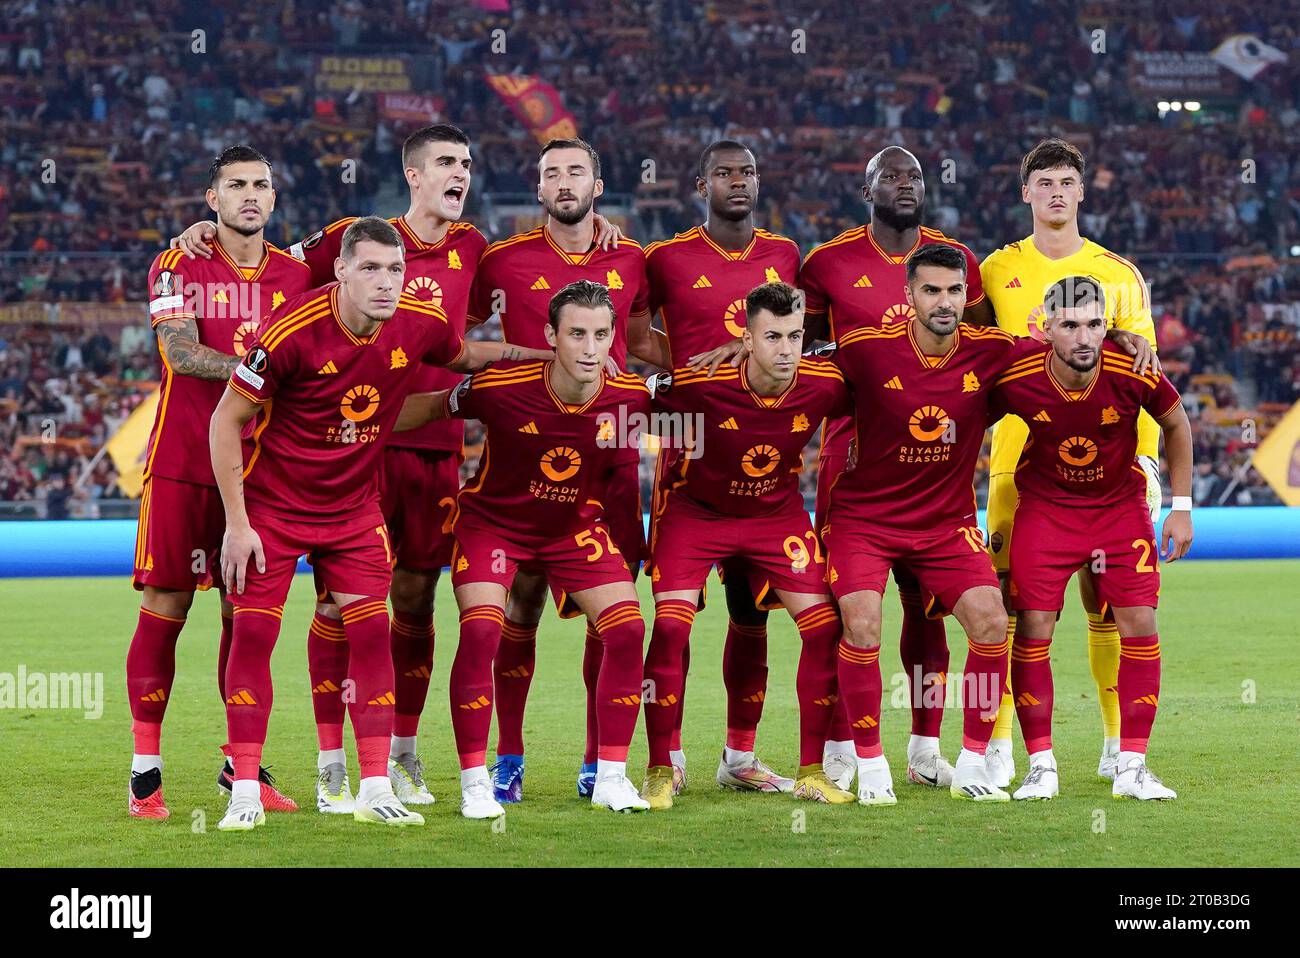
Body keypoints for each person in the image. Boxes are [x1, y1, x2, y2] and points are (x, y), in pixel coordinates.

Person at [207, 216, 548, 831]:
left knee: (373, 639)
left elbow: (464, 354)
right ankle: (245, 791)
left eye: (395, 269)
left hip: (354, 512)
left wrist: (543, 355)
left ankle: (372, 786)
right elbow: (225, 421)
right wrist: (237, 524)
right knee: (254, 639)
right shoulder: (291, 330)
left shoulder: (419, 322)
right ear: (339, 271)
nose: (386, 282)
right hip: (274, 510)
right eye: (369, 268)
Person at [402, 279, 652, 818]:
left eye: (602, 335)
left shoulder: (629, 397)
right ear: (550, 336)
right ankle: (475, 781)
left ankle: (611, 775)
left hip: (570, 529)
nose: (591, 348)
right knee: (484, 628)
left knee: (629, 628)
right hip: (494, 525)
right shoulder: (498, 386)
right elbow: (428, 409)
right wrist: (348, 420)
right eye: (577, 334)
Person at [464, 138, 664, 802]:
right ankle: (509, 758)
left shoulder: (631, 256)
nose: (564, 181)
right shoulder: (502, 259)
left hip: (613, 448)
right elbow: (455, 340)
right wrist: (517, 360)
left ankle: (596, 761)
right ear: (538, 187)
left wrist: (713, 363)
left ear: (598, 184)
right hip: (526, 451)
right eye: (552, 173)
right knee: (517, 601)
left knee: (611, 608)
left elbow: (638, 343)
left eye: (576, 170)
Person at [800, 144, 992, 792]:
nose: (904, 184)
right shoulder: (825, 262)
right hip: (851, 456)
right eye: (890, 175)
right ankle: (839, 742)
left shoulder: (955, 260)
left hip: (931, 463)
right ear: (868, 187)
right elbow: (807, 352)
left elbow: (982, 348)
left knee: (928, 610)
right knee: (848, 611)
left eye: (913, 175)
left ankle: (923, 746)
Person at [126, 145, 309, 819]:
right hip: (182, 467)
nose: (250, 195)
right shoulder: (180, 262)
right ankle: (145, 773)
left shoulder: (298, 273)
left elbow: (356, 254)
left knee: (246, 623)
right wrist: (261, 365)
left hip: (260, 477)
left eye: (262, 183)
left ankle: (243, 771)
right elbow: (178, 350)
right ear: (212, 199)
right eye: (236, 185)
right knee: (167, 613)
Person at [980, 138, 1161, 786]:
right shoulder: (996, 270)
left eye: (1067, 182)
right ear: (1025, 192)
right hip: (1014, 463)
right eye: (1044, 183)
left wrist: (1149, 464)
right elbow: (977, 356)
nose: (1056, 192)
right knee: (1009, 610)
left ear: (1082, 191)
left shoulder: (1117, 273)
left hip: (1111, 473)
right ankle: (999, 742)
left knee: (1107, 606)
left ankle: (1117, 743)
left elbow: (1144, 373)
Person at [641, 281, 854, 808]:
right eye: (773, 337)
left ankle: (808, 770)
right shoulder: (698, 382)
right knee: (671, 626)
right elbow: (623, 403)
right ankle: (659, 768)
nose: (786, 350)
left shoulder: (824, 382)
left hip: (773, 514)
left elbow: (883, 383)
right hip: (695, 513)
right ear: (746, 338)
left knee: (825, 625)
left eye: (795, 336)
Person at [989, 275, 1192, 800]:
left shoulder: (1132, 366)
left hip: (1119, 512)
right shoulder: (1018, 372)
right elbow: (966, 418)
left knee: (1140, 621)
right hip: (1046, 512)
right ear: (1047, 327)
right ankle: (1041, 766)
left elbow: (1176, 423)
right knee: (1033, 625)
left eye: (1096, 325)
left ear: (1109, 326)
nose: (1084, 337)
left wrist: (1181, 507)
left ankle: (1132, 765)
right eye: (1072, 325)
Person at [641, 140, 803, 795]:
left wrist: (743, 352)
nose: (738, 182)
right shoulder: (668, 259)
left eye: (748, 172)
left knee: (752, 612)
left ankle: (739, 758)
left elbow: (799, 337)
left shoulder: (786, 253)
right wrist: (685, 363)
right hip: (689, 452)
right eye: (725, 173)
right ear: (700, 183)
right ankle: (669, 759)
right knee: (674, 615)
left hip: (763, 458)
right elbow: (629, 334)